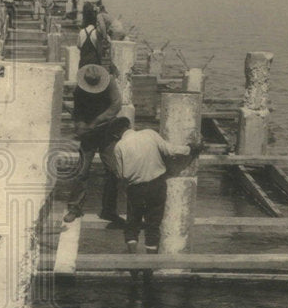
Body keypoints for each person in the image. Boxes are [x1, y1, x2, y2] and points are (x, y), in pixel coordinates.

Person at [108, 117, 204, 277]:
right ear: (130, 126)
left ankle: (133, 262)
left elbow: (121, 174)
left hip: (135, 189)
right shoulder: (149, 134)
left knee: (132, 224)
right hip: (156, 185)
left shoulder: (119, 147)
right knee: (153, 224)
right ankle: (149, 267)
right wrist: (191, 148)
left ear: (116, 135)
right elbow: (171, 150)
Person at [64, 64, 124, 225]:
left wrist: (98, 120)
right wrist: (80, 125)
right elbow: (78, 112)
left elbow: (116, 105)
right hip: (89, 133)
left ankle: (109, 210)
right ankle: (74, 207)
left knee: (113, 170)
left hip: (107, 130)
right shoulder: (79, 90)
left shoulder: (110, 83)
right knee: (81, 170)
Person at [77, 2, 109, 68]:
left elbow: (79, 46)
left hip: (83, 65)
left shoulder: (81, 32)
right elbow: (99, 51)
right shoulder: (96, 33)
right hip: (94, 66)